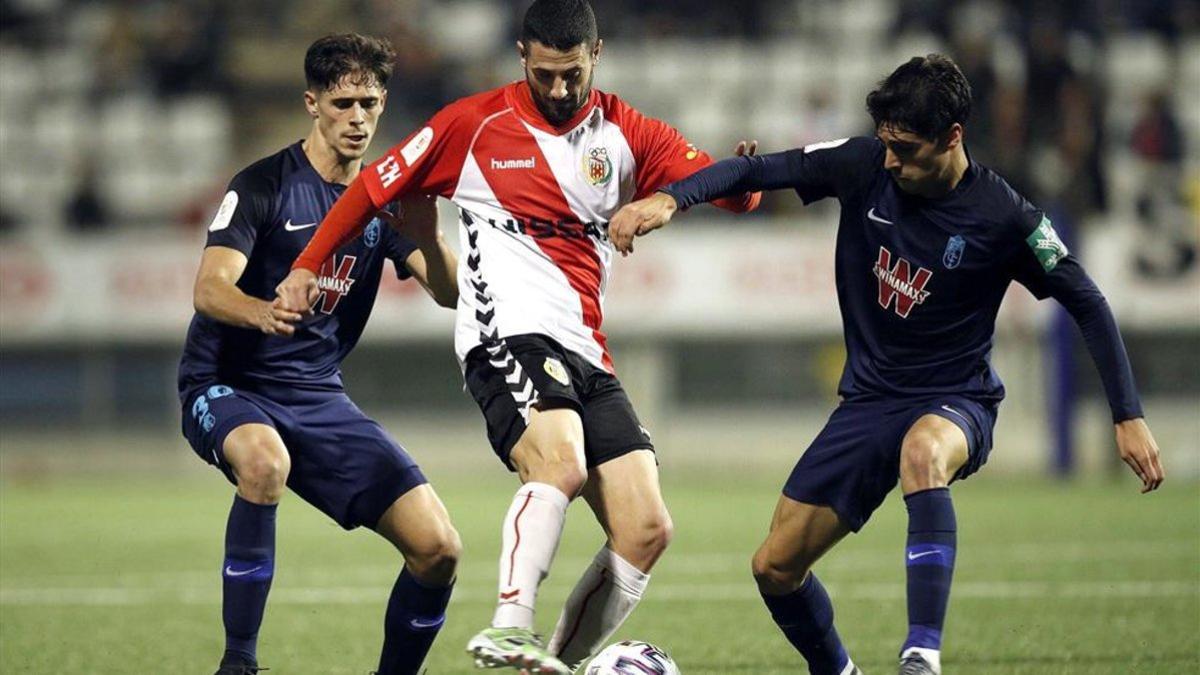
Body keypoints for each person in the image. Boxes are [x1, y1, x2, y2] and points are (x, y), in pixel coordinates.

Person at [608, 54, 1165, 675]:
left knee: (922, 455)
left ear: (952, 137)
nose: (891, 160)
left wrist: (1127, 414)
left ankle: (921, 656)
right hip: (870, 403)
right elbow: (757, 168)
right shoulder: (864, 164)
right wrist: (670, 201)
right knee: (775, 568)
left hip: (958, 399)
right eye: (886, 144)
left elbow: (1086, 301)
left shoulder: (1007, 217)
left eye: (905, 147)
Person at [275, 2, 760, 672]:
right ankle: (510, 624)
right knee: (560, 462)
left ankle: (550, 663)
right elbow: (373, 189)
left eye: (573, 75)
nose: (559, 90)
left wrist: (738, 181)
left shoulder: (627, 131)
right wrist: (306, 267)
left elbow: (734, 191)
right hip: (505, 332)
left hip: (588, 349)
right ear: (522, 56)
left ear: (597, 55)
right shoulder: (472, 125)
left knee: (648, 528)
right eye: (545, 75)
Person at [178, 34, 461, 675]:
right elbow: (209, 289)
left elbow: (447, 295)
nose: (358, 118)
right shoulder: (263, 185)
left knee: (438, 547)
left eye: (369, 102)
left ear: (383, 103)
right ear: (313, 104)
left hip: (316, 396)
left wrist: (430, 238)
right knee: (263, 461)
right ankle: (239, 665)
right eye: (343, 104)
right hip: (226, 385)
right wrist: (264, 311)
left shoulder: (385, 200)